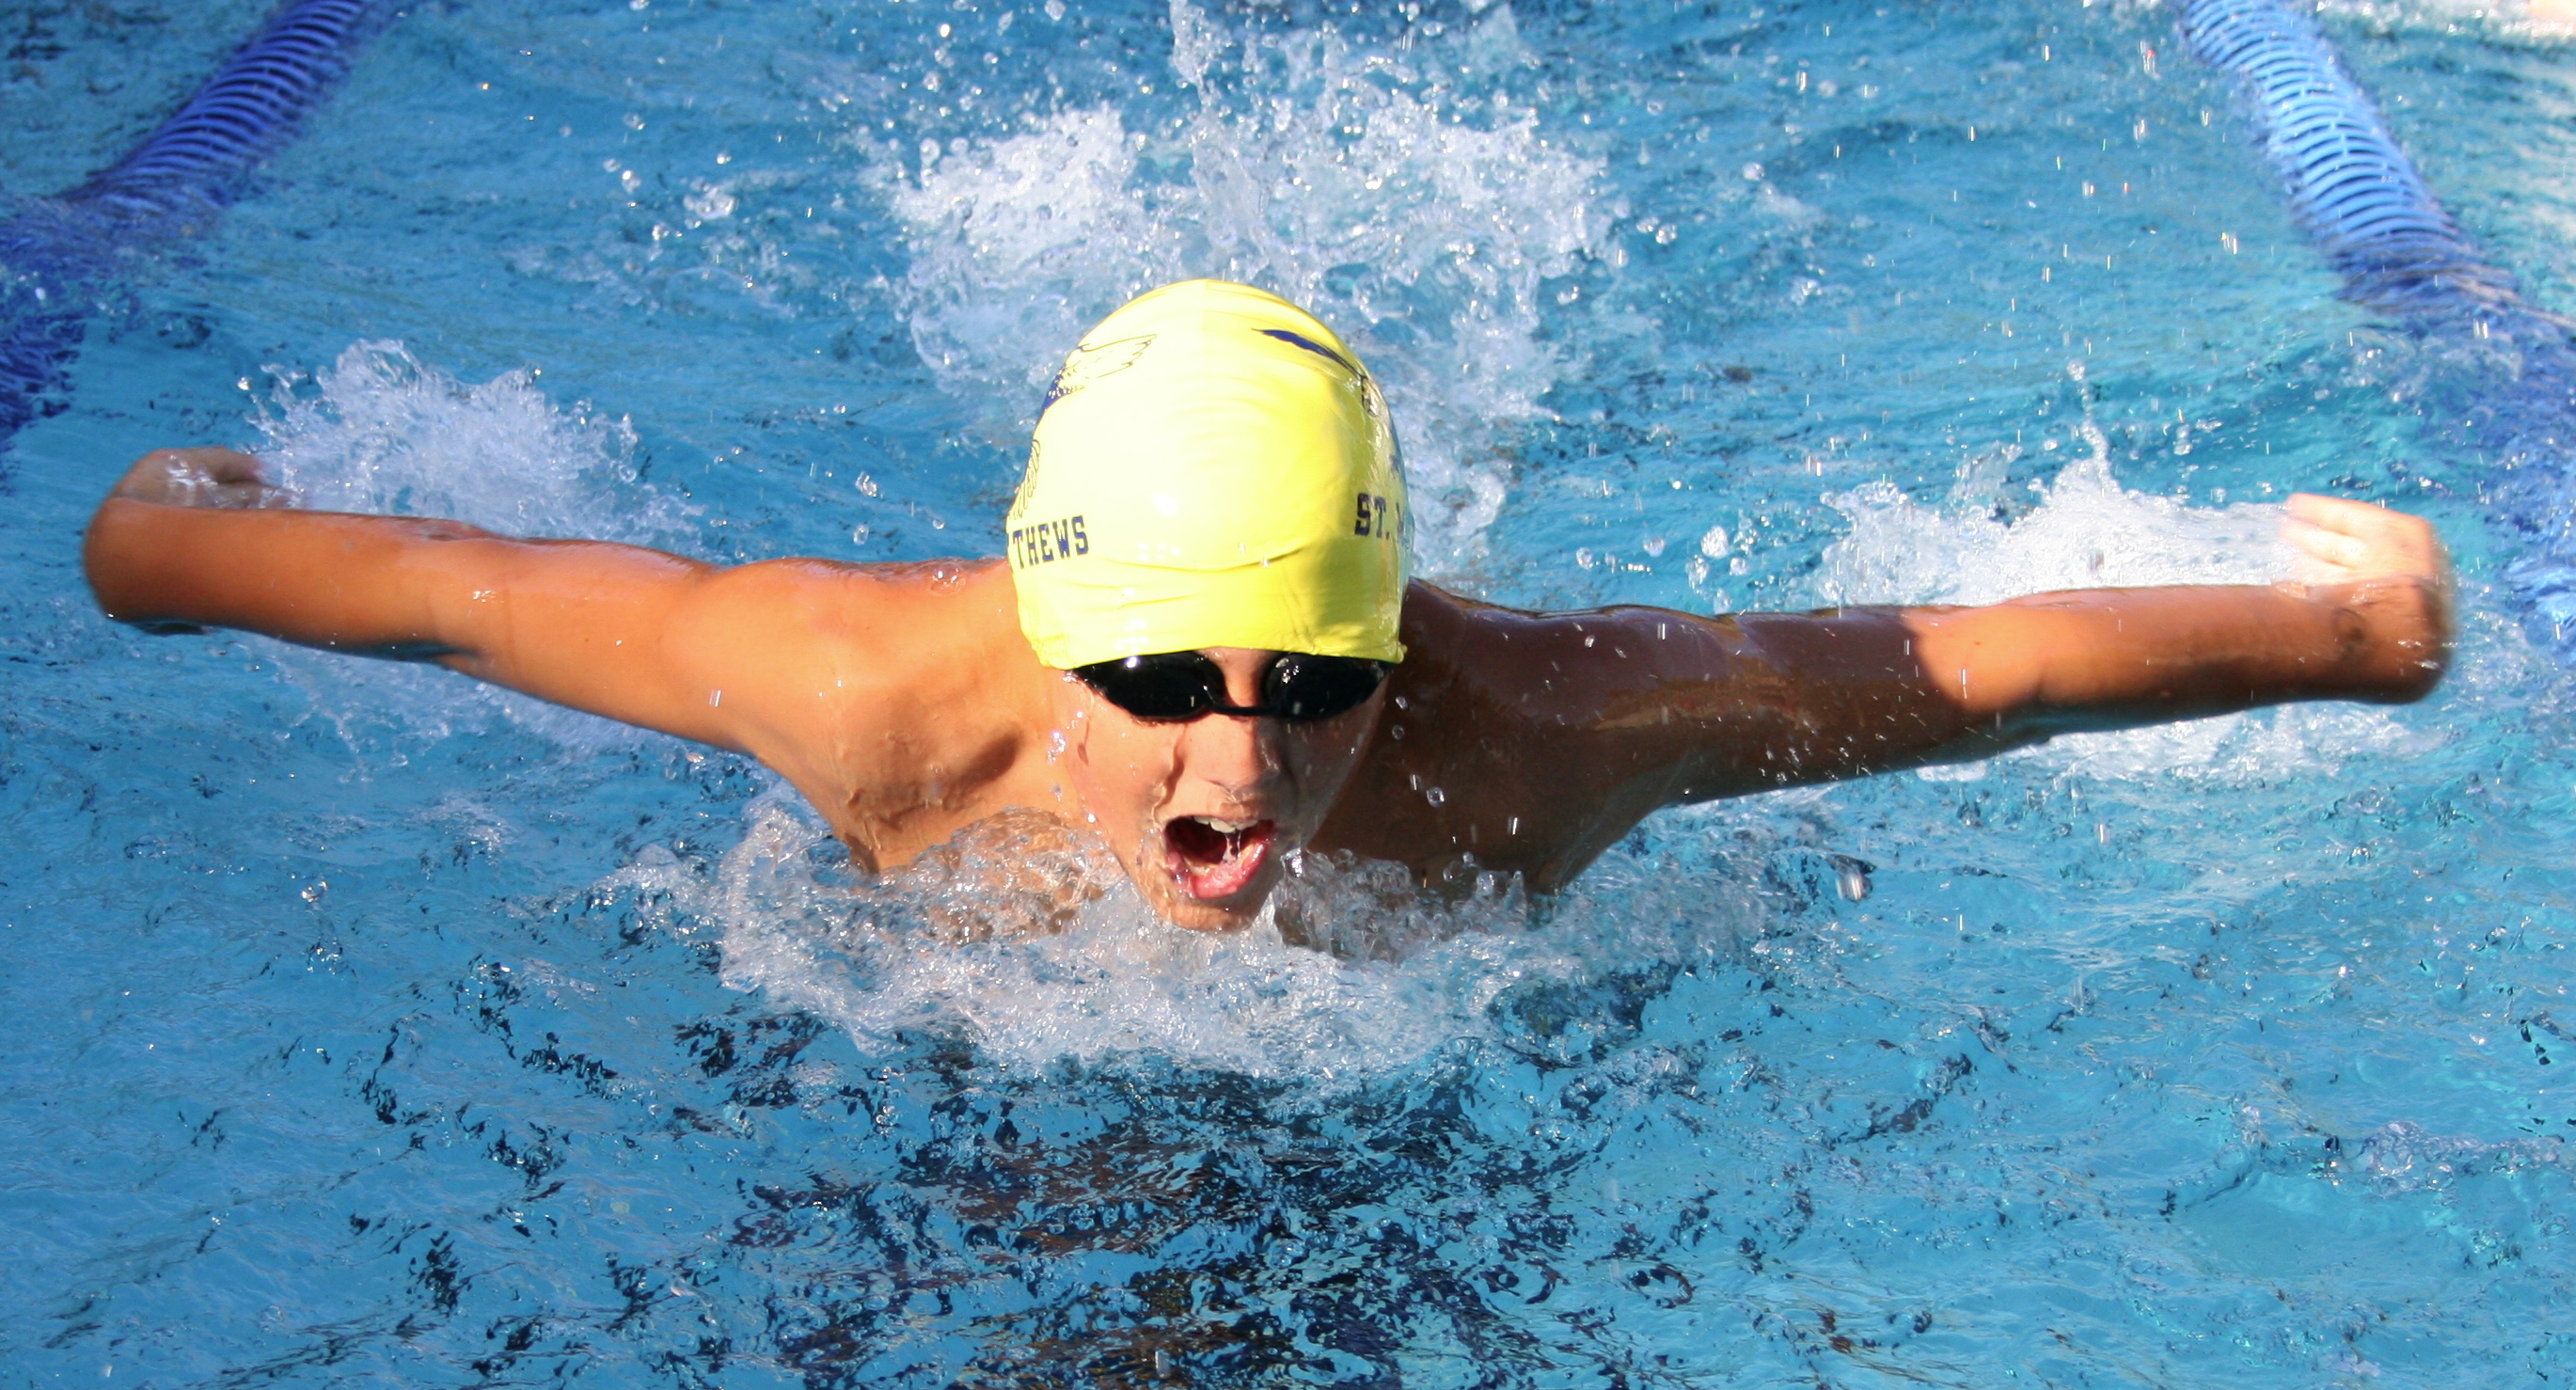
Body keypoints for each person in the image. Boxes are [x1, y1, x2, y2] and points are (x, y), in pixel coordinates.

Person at [84, 280, 2453, 934]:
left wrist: (2352, 636)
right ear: (1047, 626)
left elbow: (1960, 668)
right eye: (1166, 683)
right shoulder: (859, 688)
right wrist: (160, 524)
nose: (1239, 768)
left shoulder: (1534, 723)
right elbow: (451, 592)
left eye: (1313, 682)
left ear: (1399, 633)